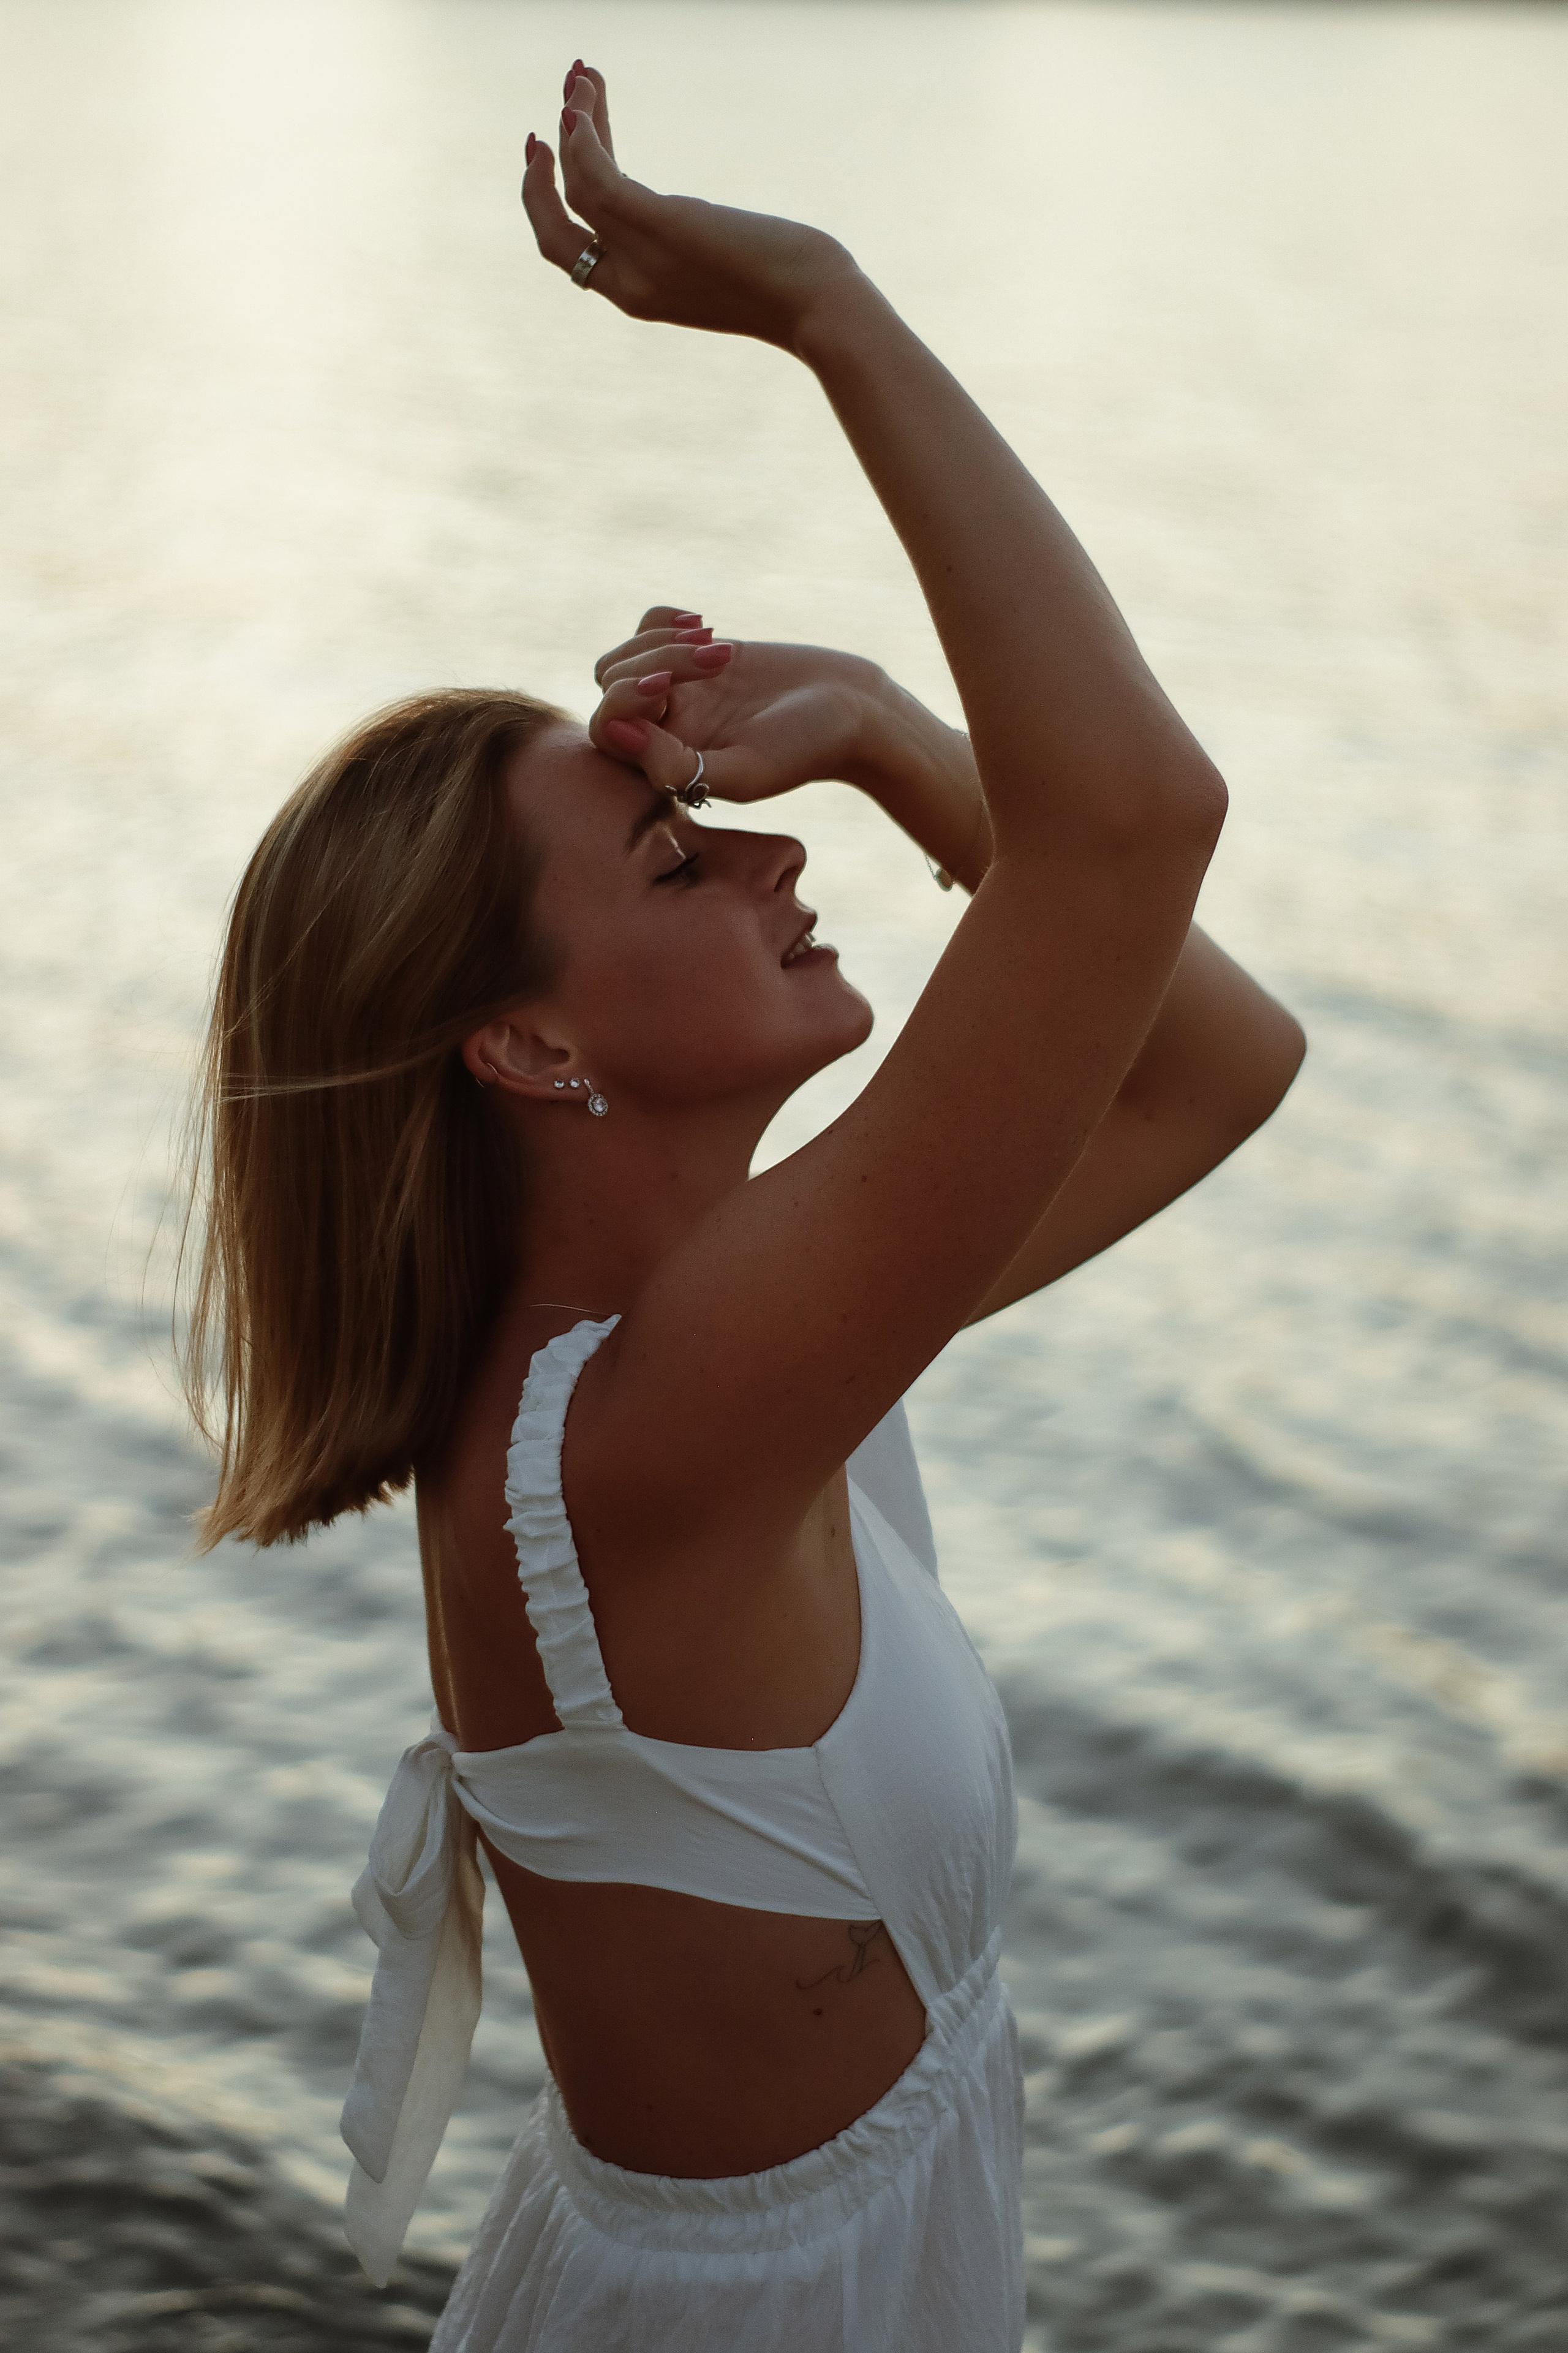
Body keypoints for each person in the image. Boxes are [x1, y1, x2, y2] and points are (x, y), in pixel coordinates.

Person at [181, 59, 1304, 2353]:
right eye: (688, 858)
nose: (781, 851)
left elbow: (1218, 1060)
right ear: (526, 1048)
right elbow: (1135, 822)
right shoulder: (645, 1433)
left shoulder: (724, 1338)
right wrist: (825, 305)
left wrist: (892, 722)